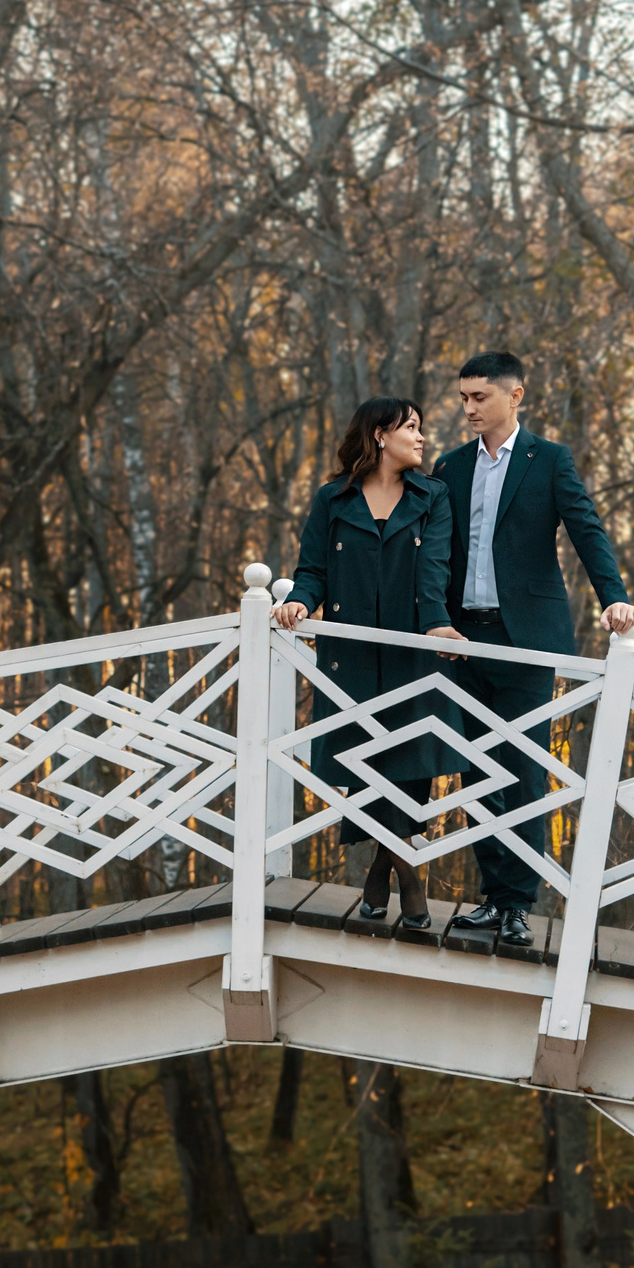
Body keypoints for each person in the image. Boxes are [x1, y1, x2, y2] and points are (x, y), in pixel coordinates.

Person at [432, 351, 634, 950]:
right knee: (475, 769)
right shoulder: (448, 466)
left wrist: (615, 599)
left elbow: (587, 530)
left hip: (526, 637)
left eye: (480, 397)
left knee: (523, 767)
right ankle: (491, 898)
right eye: (464, 398)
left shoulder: (548, 460)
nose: (469, 408)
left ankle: (518, 904)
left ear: (515, 396)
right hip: (461, 639)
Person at [274, 397, 468, 928]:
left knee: (408, 769)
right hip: (351, 661)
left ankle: (386, 874)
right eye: (411, 427)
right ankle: (408, 876)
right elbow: (311, 568)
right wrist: (298, 601)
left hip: (415, 653)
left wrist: (435, 624)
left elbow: (435, 569)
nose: (422, 437)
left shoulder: (434, 496)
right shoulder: (332, 499)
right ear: (380, 435)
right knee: (366, 768)